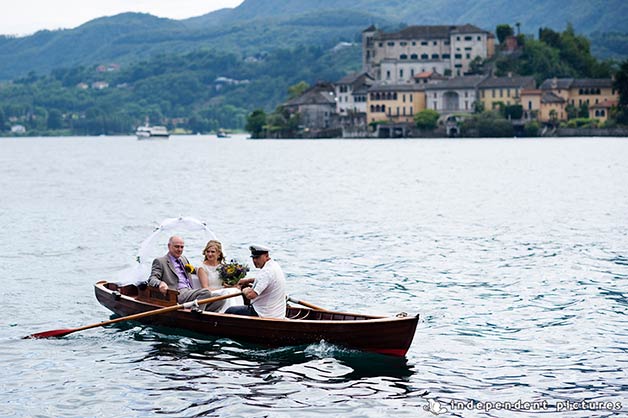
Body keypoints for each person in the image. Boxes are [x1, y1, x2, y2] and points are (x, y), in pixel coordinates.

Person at [147, 235, 225, 312]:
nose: (179, 249)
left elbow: (193, 270)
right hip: (177, 293)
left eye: (182, 247)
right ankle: (196, 315)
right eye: (176, 247)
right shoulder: (160, 261)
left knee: (220, 298)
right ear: (169, 246)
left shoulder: (183, 259)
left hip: (189, 291)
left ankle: (201, 314)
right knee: (205, 292)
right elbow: (152, 279)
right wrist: (160, 283)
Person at [225, 244, 286, 319]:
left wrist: (244, 290)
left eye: (257, 257)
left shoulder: (266, 272)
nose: (255, 261)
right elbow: (267, 280)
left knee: (230, 311)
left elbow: (251, 295)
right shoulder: (274, 265)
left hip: (263, 314)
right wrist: (248, 280)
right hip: (277, 313)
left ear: (266, 256)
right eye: (253, 258)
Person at [196, 239, 244, 313]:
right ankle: (227, 313)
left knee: (235, 290)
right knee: (228, 292)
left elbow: (225, 284)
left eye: (212, 252)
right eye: (207, 251)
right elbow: (205, 288)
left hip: (223, 290)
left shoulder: (223, 267)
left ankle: (238, 313)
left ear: (218, 253)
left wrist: (234, 285)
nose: (209, 254)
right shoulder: (202, 268)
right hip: (210, 293)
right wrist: (226, 289)